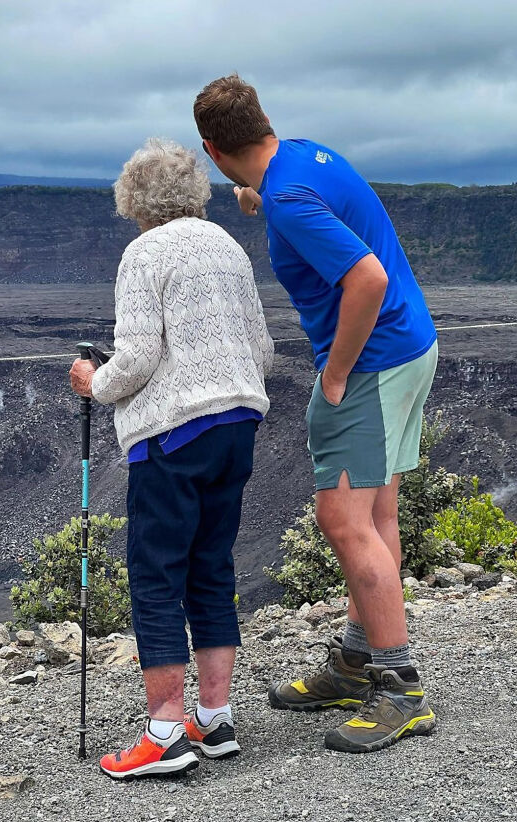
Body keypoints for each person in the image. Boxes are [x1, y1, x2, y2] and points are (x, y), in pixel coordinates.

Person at [194, 75, 438, 754]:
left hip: (371, 364)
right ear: (262, 124)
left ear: (212, 148)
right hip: (410, 347)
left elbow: (367, 278)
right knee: (378, 514)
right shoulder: (300, 158)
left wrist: (334, 374)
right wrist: (257, 199)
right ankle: (361, 662)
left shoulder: (290, 197)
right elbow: (279, 195)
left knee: (344, 519)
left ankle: (401, 692)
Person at [69, 138, 273, 778]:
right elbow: (261, 346)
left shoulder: (145, 252)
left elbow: (134, 357)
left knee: (157, 574)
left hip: (174, 435)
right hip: (239, 422)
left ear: (134, 200)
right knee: (211, 565)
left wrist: (91, 383)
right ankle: (213, 718)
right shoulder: (229, 248)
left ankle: (163, 733)